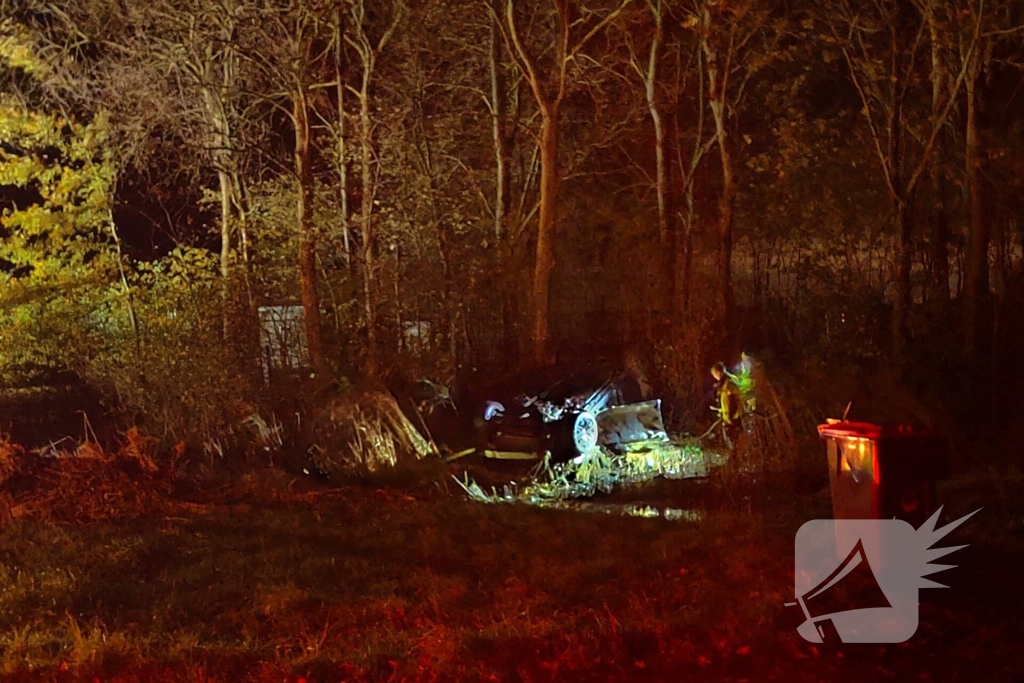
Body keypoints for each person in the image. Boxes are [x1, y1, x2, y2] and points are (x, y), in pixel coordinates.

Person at [711, 362, 744, 445]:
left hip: (733, 419)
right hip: (728, 419)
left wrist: (732, 416)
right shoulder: (723, 385)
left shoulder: (728, 383)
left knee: (736, 443)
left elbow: (736, 399)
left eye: (714, 374)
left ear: (717, 372)